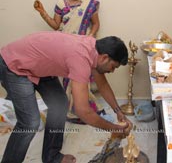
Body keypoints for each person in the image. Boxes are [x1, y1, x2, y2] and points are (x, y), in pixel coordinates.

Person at [0, 31, 132, 163]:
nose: (112, 71)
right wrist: (114, 128)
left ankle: (52, 157)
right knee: (30, 123)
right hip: (15, 65)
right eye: (113, 67)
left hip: (36, 65)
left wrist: (118, 112)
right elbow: (83, 111)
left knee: (60, 104)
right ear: (104, 57)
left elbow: (102, 84)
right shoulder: (81, 58)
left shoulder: (94, 49)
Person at [33, 0, 103, 123]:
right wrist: (42, 12)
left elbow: (96, 23)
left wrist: (90, 36)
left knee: (82, 79)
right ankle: (72, 111)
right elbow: (56, 26)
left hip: (82, 48)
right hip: (65, 48)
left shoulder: (89, 4)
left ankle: (84, 111)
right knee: (67, 79)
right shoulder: (61, 4)